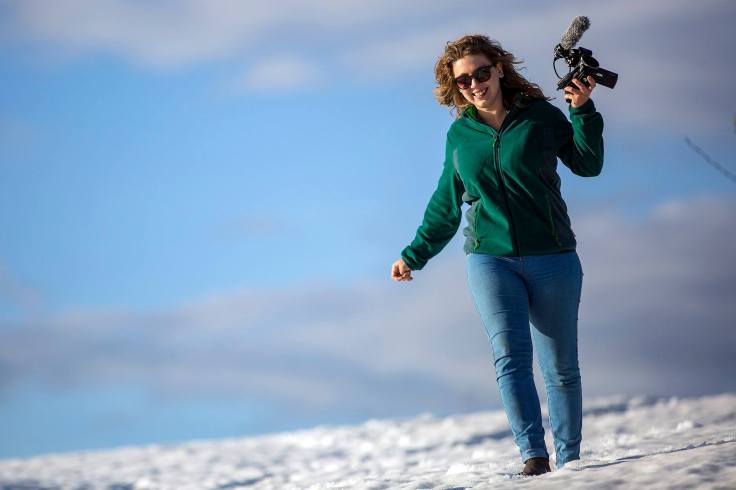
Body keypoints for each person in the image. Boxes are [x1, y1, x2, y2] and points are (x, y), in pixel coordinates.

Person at [390, 34, 604, 476]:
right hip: (490, 259)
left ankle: (570, 463)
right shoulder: (460, 135)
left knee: (561, 367)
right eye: (463, 80)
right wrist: (414, 254)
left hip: (553, 257)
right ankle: (534, 456)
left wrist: (582, 110)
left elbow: (588, 164)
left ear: (499, 70)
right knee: (510, 357)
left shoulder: (540, 117)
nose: (474, 84)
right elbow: (446, 204)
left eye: (481, 73)